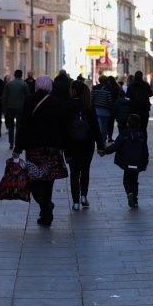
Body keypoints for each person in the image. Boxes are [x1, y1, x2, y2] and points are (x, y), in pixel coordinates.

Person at [13, 75, 68, 226]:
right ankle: (45, 215)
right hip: (53, 147)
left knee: (35, 178)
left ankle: (45, 207)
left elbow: (23, 125)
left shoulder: (30, 100)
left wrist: (17, 148)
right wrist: (67, 150)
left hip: (34, 146)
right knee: (48, 180)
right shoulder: (56, 102)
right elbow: (63, 128)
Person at [63, 80, 105, 210]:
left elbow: (64, 130)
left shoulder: (67, 106)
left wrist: (66, 152)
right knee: (85, 169)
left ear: (74, 91)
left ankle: (75, 202)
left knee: (74, 173)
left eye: (70, 89)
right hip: (88, 143)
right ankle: (84, 196)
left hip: (72, 143)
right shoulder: (88, 106)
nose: (69, 91)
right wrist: (100, 146)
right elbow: (96, 127)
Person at [101, 114, 149, 208]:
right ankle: (135, 200)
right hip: (137, 162)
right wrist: (145, 163)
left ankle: (129, 193)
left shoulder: (124, 135)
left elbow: (115, 146)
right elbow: (145, 151)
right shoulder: (142, 136)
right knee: (135, 181)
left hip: (126, 162)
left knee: (126, 180)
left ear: (127, 124)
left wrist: (105, 151)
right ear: (139, 125)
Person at [2, 70, 30, 150]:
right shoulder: (24, 84)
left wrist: (4, 109)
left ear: (14, 75)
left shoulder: (8, 84)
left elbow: (4, 97)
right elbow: (28, 97)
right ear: (21, 75)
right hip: (20, 108)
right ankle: (17, 142)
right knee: (18, 126)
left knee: (10, 125)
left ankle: (11, 143)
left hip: (10, 107)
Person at [126, 71, 153, 139]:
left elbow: (127, 95)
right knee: (143, 128)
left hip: (134, 110)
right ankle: (143, 143)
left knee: (133, 128)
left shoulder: (131, 85)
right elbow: (151, 94)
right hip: (144, 109)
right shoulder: (146, 84)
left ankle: (134, 141)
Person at [90, 75, 114, 144]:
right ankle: (103, 142)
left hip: (96, 110)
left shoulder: (94, 88)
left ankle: (98, 141)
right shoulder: (107, 89)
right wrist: (111, 107)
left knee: (99, 126)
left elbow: (91, 99)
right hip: (106, 111)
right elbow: (109, 100)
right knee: (104, 127)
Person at [106, 76, 121, 142]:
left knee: (105, 122)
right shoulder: (116, 87)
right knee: (111, 122)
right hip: (113, 107)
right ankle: (110, 136)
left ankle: (105, 134)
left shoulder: (106, 87)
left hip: (106, 106)